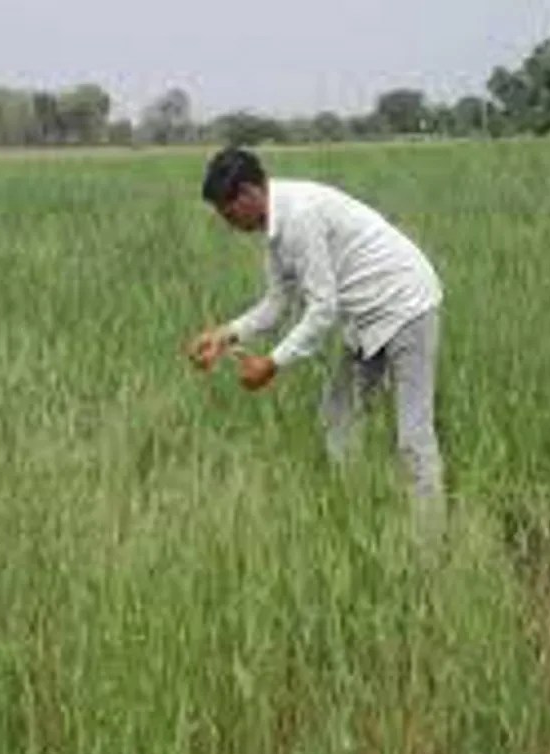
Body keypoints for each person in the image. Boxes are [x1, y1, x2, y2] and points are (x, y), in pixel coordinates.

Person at [188, 147, 446, 521]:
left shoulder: (299, 216)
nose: (231, 225)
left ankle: (430, 548)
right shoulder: (276, 226)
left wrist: (272, 364)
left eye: (230, 214)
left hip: (405, 305)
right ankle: (354, 512)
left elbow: (322, 310)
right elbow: (278, 302)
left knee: (413, 436)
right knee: (338, 415)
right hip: (365, 317)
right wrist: (225, 334)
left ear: (248, 193)